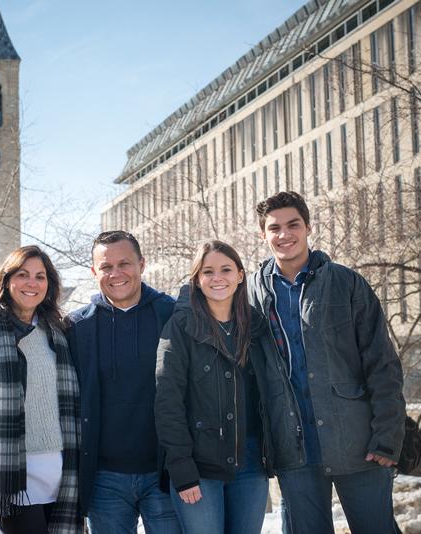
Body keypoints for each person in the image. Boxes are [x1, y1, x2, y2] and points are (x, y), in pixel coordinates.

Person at [249, 191, 405, 534]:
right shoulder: (251, 293)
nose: (284, 234)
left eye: (293, 225)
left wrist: (387, 436)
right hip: (293, 448)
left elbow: (382, 364)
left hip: (358, 442)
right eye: (274, 228)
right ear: (263, 234)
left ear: (307, 227)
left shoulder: (346, 283)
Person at [65, 231, 181, 534]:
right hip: (105, 478)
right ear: (94, 271)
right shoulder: (78, 327)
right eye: (106, 267)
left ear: (142, 264)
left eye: (124, 263)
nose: (116, 273)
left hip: (164, 473)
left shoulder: (172, 314)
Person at [155, 240, 272, 534]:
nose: (217, 278)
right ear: (196, 279)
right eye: (207, 271)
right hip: (199, 464)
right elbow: (168, 402)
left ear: (241, 275)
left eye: (225, 269)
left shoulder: (255, 327)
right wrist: (182, 469)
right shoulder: (180, 327)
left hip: (250, 461)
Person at [0, 245, 82, 534]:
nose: (32, 283)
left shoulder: (58, 332)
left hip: (60, 469)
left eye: (40, 276)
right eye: (23, 275)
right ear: (7, 280)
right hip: (11, 470)